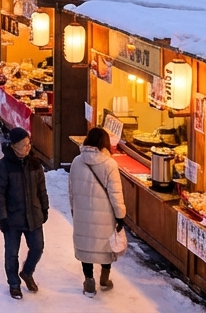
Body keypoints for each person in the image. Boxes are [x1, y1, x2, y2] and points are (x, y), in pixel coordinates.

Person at [0, 127, 49, 299]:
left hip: (34, 215)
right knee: (11, 253)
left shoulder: (34, 163)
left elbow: (41, 189)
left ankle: (27, 272)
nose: (28, 147)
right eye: (24, 145)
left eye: (29, 143)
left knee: (38, 248)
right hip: (12, 219)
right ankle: (14, 284)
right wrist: (2, 217)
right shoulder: (3, 166)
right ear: (14, 146)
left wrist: (44, 208)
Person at [69, 127, 127, 296]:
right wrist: (120, 215)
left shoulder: (76, 162)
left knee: (86, 246)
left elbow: (71, 190)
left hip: (82, 212)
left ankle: (89, 281)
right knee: (105, 246)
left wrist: (74, 209)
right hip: (105, 215)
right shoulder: (110, 164)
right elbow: (116, 194)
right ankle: (104, 279)